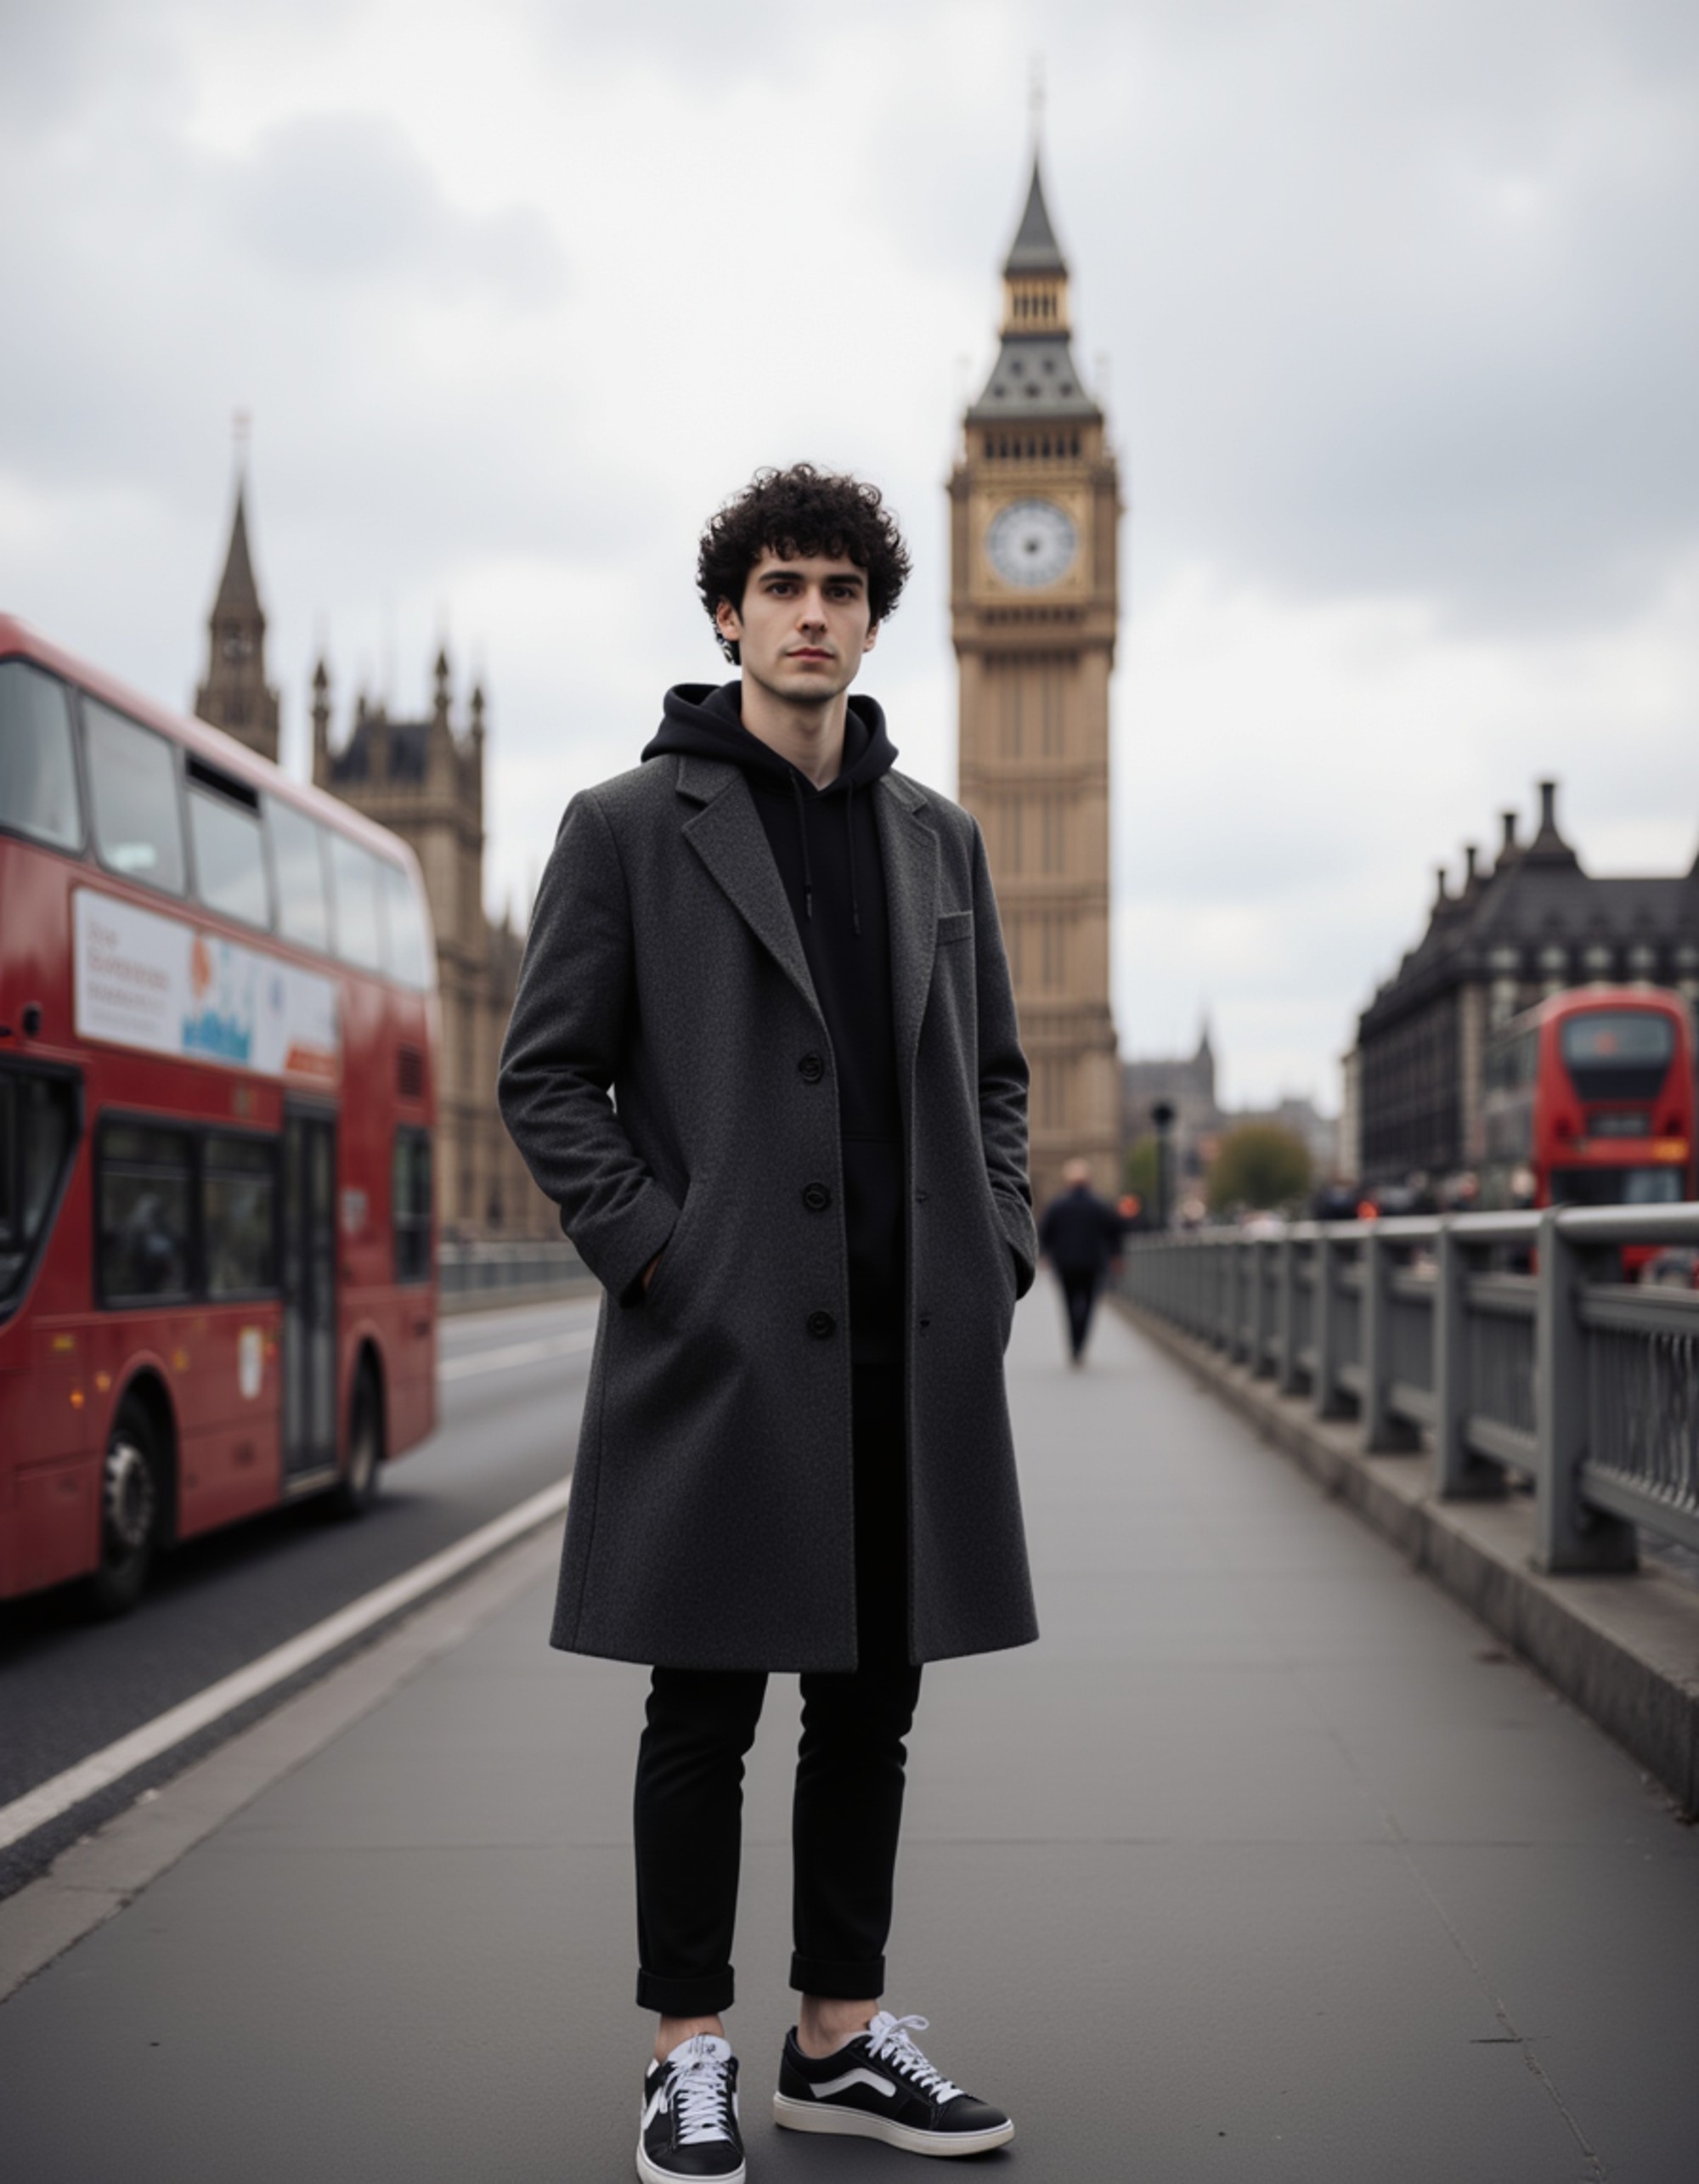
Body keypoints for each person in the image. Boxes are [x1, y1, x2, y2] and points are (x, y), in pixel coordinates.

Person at [498, 465, 1037, 2183]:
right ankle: (686, 2049)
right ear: (727, 613)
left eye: (843, 591)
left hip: (903, 1342)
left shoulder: (937, 838)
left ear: (875, 622)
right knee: (704, 1707)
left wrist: (1002, 1247)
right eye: (781, 585)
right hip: (725, 1345)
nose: (813, 613)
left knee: (870, 1701)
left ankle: (836, 2034)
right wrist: (666, 1260)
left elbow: (1000, 1081)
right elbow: (545, 1076)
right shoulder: (627, 826)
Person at [1037, 1158, 1124, 1363]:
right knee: (1089, 1304)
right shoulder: (1100, 1205)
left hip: (1065, 1263)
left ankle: (1073, 1344)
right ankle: (1081, 1342)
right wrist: (1116, 1256)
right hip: (1093, 1263)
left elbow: (1045, 1232)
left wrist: (1045, 1254)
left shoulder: (1057, 1205)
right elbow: (1114, 1232)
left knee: (1068, 1305)